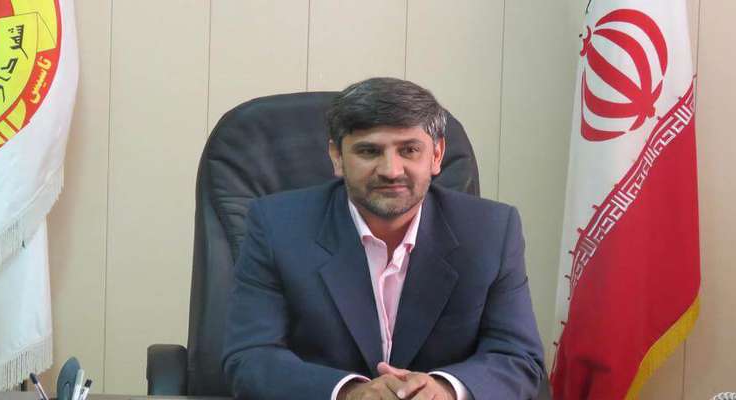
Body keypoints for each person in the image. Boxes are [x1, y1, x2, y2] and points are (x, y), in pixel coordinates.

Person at [222, 77, 545, 400]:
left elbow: (518, 357)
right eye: (369, 151)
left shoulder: (491, 231)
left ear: (436, 155)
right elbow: (250, 356)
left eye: (409, 150)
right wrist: (349, 393)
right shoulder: (277, 226)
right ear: (337, 157)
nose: (391, 170)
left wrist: (446, 390)